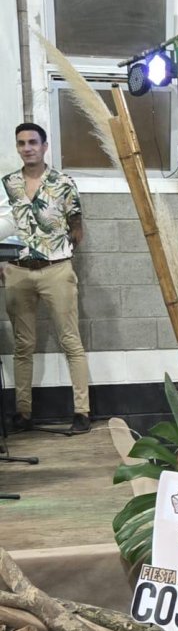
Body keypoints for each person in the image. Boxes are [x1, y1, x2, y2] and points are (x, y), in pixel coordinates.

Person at [1, 123, 90, 434]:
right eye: (22, 143)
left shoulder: (63, 183)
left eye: (33, 142)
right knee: (23, 345)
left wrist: (60, 255)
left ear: (44, 145)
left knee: (70, 341)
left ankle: (82, 411)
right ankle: (23, 413)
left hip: (56, 270)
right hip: (17, 271)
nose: (27, 148)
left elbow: (76, 226)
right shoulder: (7, 184)